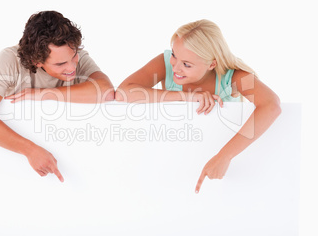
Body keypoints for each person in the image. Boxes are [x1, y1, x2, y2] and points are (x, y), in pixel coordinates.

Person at [115, 19, 281, 193]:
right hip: (171, 164)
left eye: (187, 64)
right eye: (174, 55)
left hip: (224, 172)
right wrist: (187, 97)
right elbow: (123, 93)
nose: (176, 68)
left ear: (212, 64)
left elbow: (271, 105)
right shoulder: (165, 63)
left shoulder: (234, 77)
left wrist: (224, 157)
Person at [0, 11, 114, 182]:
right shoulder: (10, 60)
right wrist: (30, 150)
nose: (72, 66)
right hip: (7, 165)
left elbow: (106, 91)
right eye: (60, 64)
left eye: (74, 56)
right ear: (37, 61)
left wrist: (45, 94)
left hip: (73, 159)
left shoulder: (74, 57)